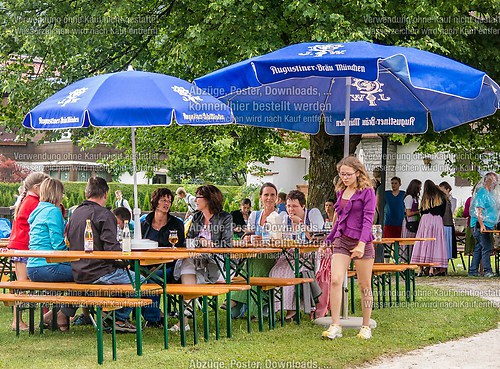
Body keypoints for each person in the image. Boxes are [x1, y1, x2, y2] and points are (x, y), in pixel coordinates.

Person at [67, 177, 161, 333]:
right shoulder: (104, 214)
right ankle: (118, 318)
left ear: (87, 193)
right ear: (105, 193)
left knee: (130, 278)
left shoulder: (76, 213)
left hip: (78, 271)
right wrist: (125, 263)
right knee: (142, 281)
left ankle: (111, 315)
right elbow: (112, 251)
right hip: (99, 272)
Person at [322, 156, 375, 340]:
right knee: (335, 280)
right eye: (341, 174)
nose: (344, 177)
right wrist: (328, 240)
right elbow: (339, 220)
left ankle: (366, 326)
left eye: (347, 174)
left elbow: (368, 220)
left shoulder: (367, 192)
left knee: (364, 285)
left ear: (357, 173)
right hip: (342, 240)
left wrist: (361, 244)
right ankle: (335, 325)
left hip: (363, 241)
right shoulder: (341, 191)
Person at [170, 185, 233, 331]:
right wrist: (199, 242)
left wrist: (209, 244)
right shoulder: (197, 217)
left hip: (216, 263)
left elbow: (227, 245)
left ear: (209, 200)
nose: (195, 199)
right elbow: (188, 240)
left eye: (198, 197)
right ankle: (185, 317)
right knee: (187, 261)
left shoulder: (225, 218)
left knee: (187, 268)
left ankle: (184, 319)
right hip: (196, 261)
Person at [26, 178, 75, 331]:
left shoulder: (38, 210)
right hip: (48, 266)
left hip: (32, 267)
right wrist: (74, 258)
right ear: (57, 194)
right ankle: (61, 314)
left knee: (80, 273)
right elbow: (58, 246)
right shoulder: (53, 211)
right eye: (62, 193)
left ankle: (54, 315)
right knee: (87, 274)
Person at [269, 190, 324, 320]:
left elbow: (318, 238)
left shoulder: (312, 215)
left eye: (294, 206)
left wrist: (301, 223)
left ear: (303, 206)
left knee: (291, 272)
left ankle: (292, 310)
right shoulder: (284, 219)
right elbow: (280, 238)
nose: (290, 209)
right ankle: (279, 307)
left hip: (308, 254)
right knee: (275, 272)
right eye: (288, 206)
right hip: (289, 254)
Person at [230, 183, 280, 318]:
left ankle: (235, 300)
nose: (269, 198)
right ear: (260, 197)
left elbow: (281, 239)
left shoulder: (281, 216)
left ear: (276, 198)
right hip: (255, 254)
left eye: (272, 195)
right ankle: (253, 309)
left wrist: (268, 241)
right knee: (252, 263)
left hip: (273, 256)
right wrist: (248, 238)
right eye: (266, 195)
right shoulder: (255, 216)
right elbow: (248, 234)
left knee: (252, 265)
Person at [7, 171, 49, 331]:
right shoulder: (33, 202)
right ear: (38, 187)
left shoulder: (27, 200)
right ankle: (17, 321)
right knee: (23, 285)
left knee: (22, 284)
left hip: (19, 246)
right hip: (23, 247)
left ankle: (19, 320)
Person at [141, 188, 185, 283]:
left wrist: (156, 267)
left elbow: (179, 249)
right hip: (145, 265)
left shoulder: (176, 224)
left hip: (168, 266)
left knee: (152, 277)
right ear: (155, 201)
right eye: (164, 200)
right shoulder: (144, 224)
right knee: (131, 277)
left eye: (169, 201)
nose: (167, 204)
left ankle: (152, 298)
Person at [410, 180, 448, 276]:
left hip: (426, 220)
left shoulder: (425, 198)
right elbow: (443, 212)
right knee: (435, 243)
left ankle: (420, 268)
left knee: (423, 242)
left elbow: (422, 210)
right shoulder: (441, 196)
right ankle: (432, 268)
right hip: (437, 220)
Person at [469, 172, 498, 278]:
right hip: (480, 225)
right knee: (486, 247)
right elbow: (478, 210)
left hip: (486, 225)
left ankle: (473, 270)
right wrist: (481, 225)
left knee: (479, 247)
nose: (496, 184)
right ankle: (487, 270)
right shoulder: (482, 193)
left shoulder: (489, 194)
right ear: (489, 181)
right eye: (495, 181)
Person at [439, 181, 457, 264]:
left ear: (447, 190)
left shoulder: (452, 200)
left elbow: (451, 211)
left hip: (448, 224)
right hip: (441, 224)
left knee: (447, 244)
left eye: (442, 190)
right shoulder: (440, 200)